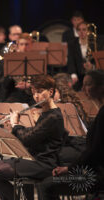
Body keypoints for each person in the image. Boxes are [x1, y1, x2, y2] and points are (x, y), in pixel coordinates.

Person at [0, 75, 66, 200]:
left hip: (44, 163)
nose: (36, 96)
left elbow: (28, 138)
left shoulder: (53, 116)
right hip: (34, 159)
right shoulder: (46, 113)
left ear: (50, 91)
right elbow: (35, 134)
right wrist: (13, 128)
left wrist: (15, 124)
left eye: (40, 92)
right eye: (34, 93)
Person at [38, 70, 104, 200]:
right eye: (83, 85)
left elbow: (94, 152)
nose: (83, 89)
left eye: (88, 85)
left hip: (96, 178)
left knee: (46, 185)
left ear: (102, 87)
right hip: (96, 172)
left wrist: (69, 168)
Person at [67, 21, 96, 91]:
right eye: (79, 30)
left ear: (88, 31)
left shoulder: (94, 43)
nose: (81, 32)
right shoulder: (72, 43)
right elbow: (71, 60)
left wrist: (92, 67)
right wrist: (73, 75)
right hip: (79, 75)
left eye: (84, 29)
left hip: (94, 75)